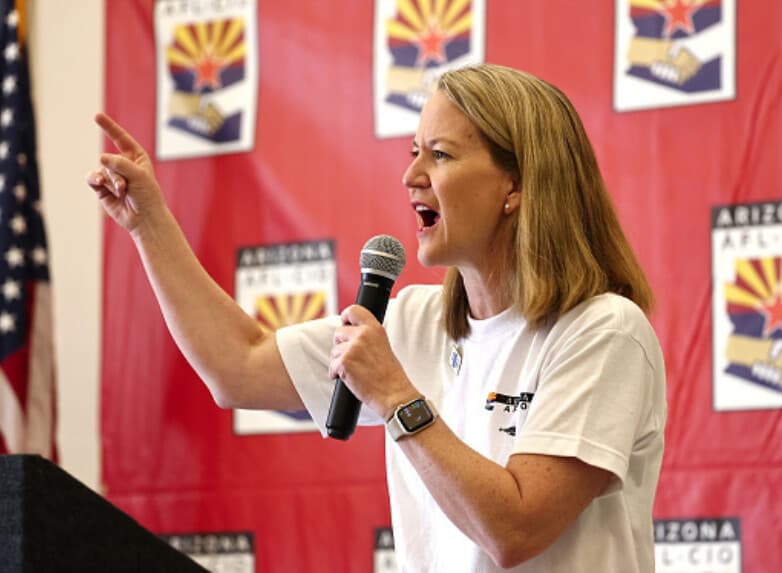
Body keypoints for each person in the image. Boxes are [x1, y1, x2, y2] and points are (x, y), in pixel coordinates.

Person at [87, 63, 666, 572]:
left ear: (514, 186)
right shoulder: (413, 319)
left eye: (440, 154)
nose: (411, 175)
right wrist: (148, 222)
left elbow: (515, 531)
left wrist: (395, 397)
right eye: (414, 153)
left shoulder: (603, 331)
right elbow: (237, 366)